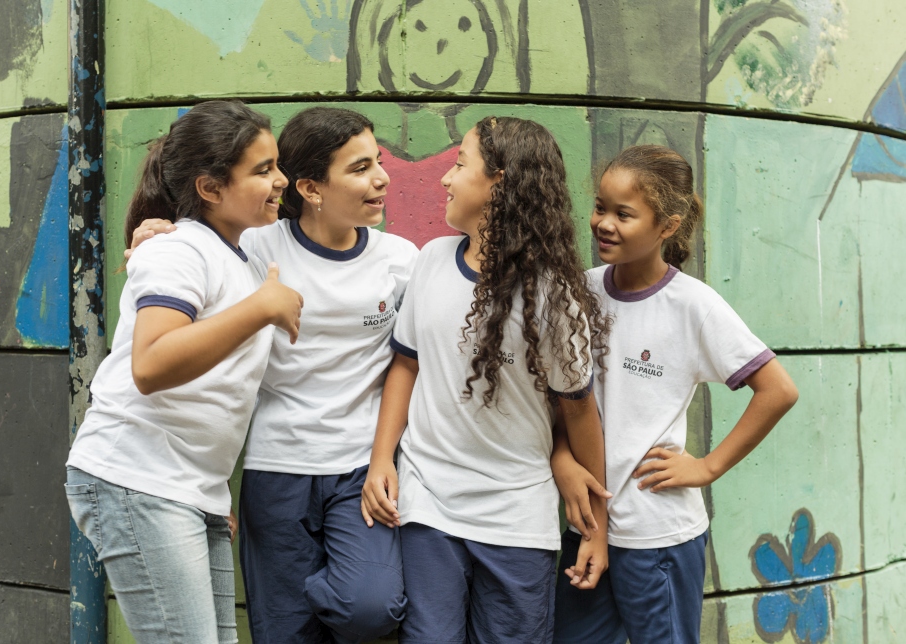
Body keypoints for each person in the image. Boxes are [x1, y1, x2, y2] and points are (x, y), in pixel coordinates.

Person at [129, 107, 417, 643]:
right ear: (311, 188)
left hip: (359, 468)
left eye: (377, 162)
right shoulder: (255, 247)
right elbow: (189, 267)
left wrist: (387, 458)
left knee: (370, 607)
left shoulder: (401, 259)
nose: (381, 177)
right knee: (281, 630)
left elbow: (416, 360)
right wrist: (154, 236)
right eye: (359, 168)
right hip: (275, 467)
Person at [361, 116, 610, 643]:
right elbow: (406, 364)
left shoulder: (552, 295)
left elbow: (579, 409)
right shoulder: (430, 261)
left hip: (517, 516)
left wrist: (596, 528)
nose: (447, 179)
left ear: (500, 180)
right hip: (429, 503)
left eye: (459, 164)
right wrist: (382, 459)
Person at [65, 100, 304, 644]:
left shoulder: (232, 255)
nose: (280, 181)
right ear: (211, 188)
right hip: (138, 478)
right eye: (263, 170)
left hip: (188, 490)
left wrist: (209, 492)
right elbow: (150, 366)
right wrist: (262, 308)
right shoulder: (183, 251)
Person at [553, 145, 799, 644]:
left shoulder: (694, 306)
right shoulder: (580, 291)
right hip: (587, 529)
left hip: (657, 535)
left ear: (667, 226)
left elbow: (777, 389)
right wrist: (562, 458)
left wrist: (707, 467)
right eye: (601, 207)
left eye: (624, 214)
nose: (604, 223)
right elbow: (563, 400)